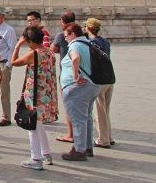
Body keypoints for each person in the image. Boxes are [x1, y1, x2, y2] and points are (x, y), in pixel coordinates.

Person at [11, 26, 58, 170]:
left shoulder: (34, 54)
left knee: (32, 125)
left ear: (30, 40)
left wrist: (18, 45)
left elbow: (14, 62)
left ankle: (35, 158)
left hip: (35, 94)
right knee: (39, 125)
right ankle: (46, 154)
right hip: (47, 94)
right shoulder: (49, 52)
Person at [60, 23, 101, 161]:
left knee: (78, 119)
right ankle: (87, 146)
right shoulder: (88, 43)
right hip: (92, 85)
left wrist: (75, 76)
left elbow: (75, 58)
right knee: (86, 117)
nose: (65, 39)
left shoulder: (75, 44)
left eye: (66, 36)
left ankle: (79, 150)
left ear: (72, 34)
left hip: (78, 88)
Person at [83, 18, 115, 148]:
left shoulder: (90, 43)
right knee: (105, 109)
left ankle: (103, 139)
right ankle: (109, 136)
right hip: (110, 78)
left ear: (88, 28)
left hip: (99, 80)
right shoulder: (105, 42)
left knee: (98, 110)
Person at [51, 10, 76, 143]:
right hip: (85, 75)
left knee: (68, 105)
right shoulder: (82, 32)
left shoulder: (62, 35)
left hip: (67, 74)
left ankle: (71, 134)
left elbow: (53, 49)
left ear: (63, 22)